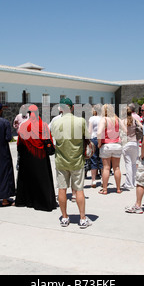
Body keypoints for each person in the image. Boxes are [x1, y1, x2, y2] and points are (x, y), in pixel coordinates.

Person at [51, 97, 92, 228]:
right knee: (79, 189)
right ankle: (82, 218)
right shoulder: (80, 121)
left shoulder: (55, 123)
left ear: (60, 109)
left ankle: (64, 217)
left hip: (61, 160)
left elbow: (53, 140)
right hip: (77, 160)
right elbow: (88, 137)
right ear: (72, 107)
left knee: (62, 189)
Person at [15, 104, 57, 212]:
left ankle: (28, 201)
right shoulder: (43, 125)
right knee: (42, 180)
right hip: (40, 157)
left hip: (27, 157)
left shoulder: (24, 125)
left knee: (28, 180)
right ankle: (43, 203)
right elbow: (49, 140)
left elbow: (19, 143)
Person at [97, 104, 125, 195]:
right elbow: (125, 130)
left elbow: (99, 132)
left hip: (107, 145)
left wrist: (99, 143)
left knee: (106, 168)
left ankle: (105, 189)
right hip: (117, 145)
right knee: (117, 167)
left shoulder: (104, 120)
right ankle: (118, 188)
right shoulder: (117, 119)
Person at [121, 106, 142, 191]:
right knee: (134, 164)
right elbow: (142, 127)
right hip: (135, 143)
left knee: (128, 164)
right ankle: (134, 182)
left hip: (126, 143)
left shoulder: (123, 121)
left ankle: (129, 184)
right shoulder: (135, 120)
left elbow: (124, 131)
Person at [88, 105, 102, 188]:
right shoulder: (103, 118)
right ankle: (104, 180)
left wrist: (88, 140)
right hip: (102, 139)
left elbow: (90, 131)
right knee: (102, 160)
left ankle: (93, 180)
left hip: (93, 139)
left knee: (93, 159)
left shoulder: (92, 118)